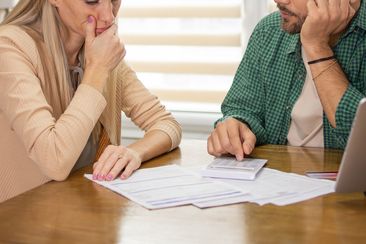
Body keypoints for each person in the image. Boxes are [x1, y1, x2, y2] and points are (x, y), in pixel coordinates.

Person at [0, 0, 181, 202]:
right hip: (24, 222)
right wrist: (97, 70)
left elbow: (166, 124)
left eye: (114, 1)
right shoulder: (9, 47)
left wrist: (134, 153)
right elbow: (54, 162)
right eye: (92, 1)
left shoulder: (100, 53)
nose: (109, 16)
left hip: (85, 216)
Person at [208, 0, 366, 160]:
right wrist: (237, 126)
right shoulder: (269, 30)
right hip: (277, 179)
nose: (279, 1)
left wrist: (316, 46)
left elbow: (361, 140)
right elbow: (243, 110)